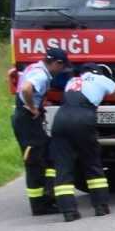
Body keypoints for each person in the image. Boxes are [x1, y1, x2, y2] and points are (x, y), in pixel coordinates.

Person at [52, 63, 115, 222]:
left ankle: (68, 211)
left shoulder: (72, 81)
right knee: (91, 162)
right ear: (99, 72)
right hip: (83, 118)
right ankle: (101, 207)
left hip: (60, 119)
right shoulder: (100, 79)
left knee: (63, 165)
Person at [12, 47, 69, 216]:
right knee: (35, 162)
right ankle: (39, 205)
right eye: (62, 66)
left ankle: (47, 197)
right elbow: (26, 89)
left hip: (25, 119)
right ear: (56, 63)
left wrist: (39, 104)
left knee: (47, 155)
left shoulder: (33, 67)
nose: (62, 70)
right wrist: (32, 107)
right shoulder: (42, 75)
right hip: (27, 120)